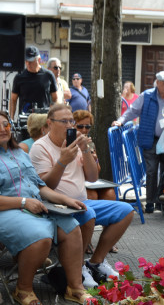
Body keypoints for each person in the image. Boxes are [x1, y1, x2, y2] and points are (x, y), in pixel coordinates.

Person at [0, 110, 88, 305]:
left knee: (71, 225)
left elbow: (40, 188)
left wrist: (65, 200)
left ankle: (75, 287)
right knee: (40, 235)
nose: (2, 129)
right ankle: (23, 288)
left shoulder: (19, 153)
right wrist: (23, 202)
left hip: (32, 207)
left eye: (6, 125)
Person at [30, 103, 133, 288]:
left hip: (82, 202)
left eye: (72, 121)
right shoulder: (40, 147)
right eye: (64, 121)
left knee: (126, 210)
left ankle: (95, 262)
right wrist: (62, 161)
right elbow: (45, 186)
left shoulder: (76, 144)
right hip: (55, 206)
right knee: (88, 214)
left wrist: (85, 150)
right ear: (50, 123)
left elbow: (92, 178)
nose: (70, 126)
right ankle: (77, 267)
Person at [114, 71, 164, 213]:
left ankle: (161, 200)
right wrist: (120, 121)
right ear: (158, 82)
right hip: (150, 138)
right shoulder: (146, 96)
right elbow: (132, 111)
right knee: (152, 170)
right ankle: (150, 202)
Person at [9, 46, 58, 118]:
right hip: (25, 119)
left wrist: (52, 114)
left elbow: (55, 98)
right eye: (26, 61)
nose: (28, 64)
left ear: (39, 60)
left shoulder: (48, 75)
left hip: (43, 118)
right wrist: (11, 119)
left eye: (31, 61)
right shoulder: (19, 77)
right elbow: (13, 99)